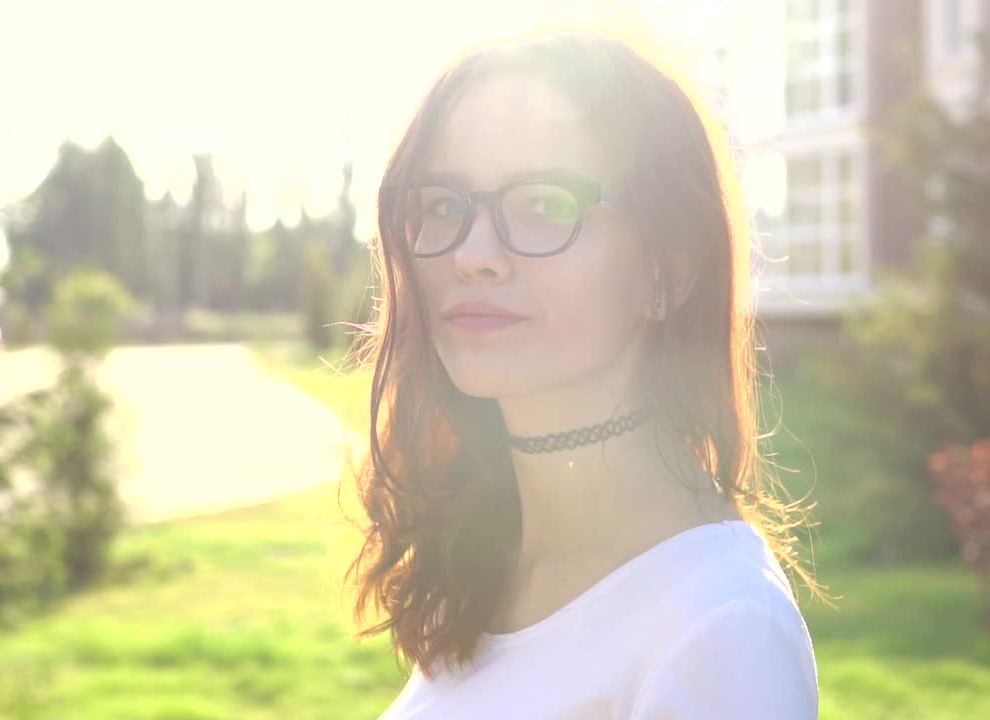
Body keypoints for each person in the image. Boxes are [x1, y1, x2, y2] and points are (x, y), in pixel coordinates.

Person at [345, 26, 820, 720]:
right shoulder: (483, 564)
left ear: (670, 266)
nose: (473, 254)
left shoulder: (718, 629)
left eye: (543, 205)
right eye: (443, 205)